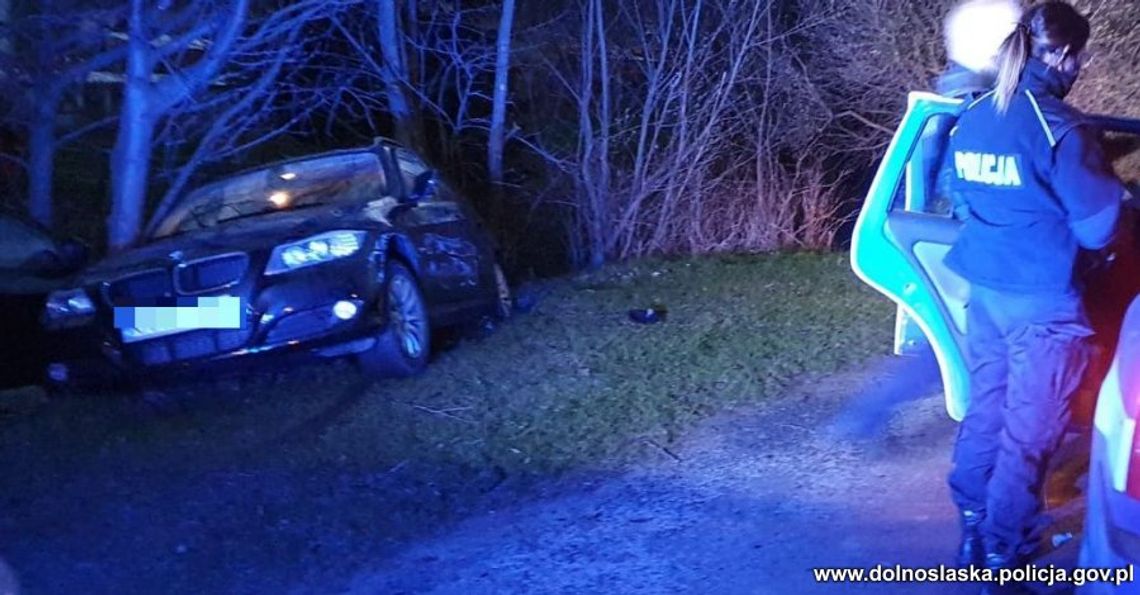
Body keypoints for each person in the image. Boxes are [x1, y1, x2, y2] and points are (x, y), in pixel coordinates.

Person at [940, 1, 1128, 590]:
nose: (1081, 66)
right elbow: (1099, 228)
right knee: (1031, 429)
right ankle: (1005, 548)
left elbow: (959, 196)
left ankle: (972, 522)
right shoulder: (1060, 126)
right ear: (1061, 53)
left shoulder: (974, 115)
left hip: (986, 292)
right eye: (1079, 55)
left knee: (986, 410)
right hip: (1042, 304)